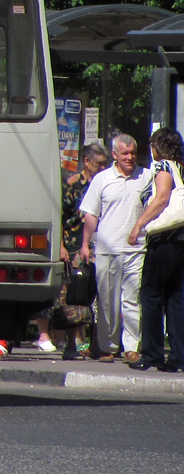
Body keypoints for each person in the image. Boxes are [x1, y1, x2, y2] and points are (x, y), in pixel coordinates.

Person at [79, 133, 152, 363]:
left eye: (133, 153)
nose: (130, 158)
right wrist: (85, 245)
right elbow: (91, 214)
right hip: (107, 249)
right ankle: (108, 347)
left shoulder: (147, 177)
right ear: (114, 155)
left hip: (137, 249)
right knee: (107, 301)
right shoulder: (102, 179)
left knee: (132, 300)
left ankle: (132, 348)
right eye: (125, 154)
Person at [126, 127, 184, 372]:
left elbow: (161, 198)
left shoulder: (164, 167)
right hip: (182, 240)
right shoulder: (182, 167)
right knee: (176, 299)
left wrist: (139, 224)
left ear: (158, 147)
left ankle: (152, 354)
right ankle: (179, 357)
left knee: (150, 297)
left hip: (164, 239)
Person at [47, 142, 109, 360]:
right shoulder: (73, 185)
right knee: (75, 297)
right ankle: (71, 343)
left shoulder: (106, 183)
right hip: (74, 246)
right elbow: (60, 217)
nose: (103, 168)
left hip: (101, 246)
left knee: (100, 297)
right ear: (87, 162)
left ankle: (97, 344)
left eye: (105, 164)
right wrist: (62, 247)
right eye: (99, 164)